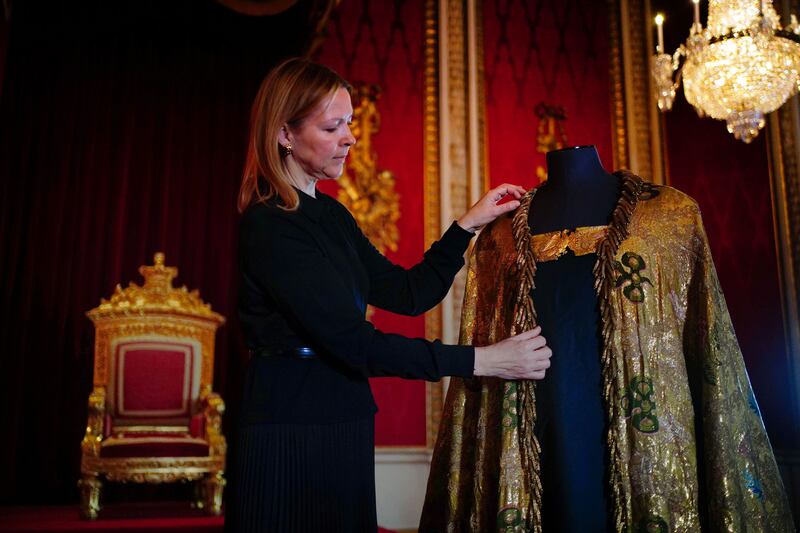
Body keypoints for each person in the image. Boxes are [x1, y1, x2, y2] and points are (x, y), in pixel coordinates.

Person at [226, 57, 553, 533]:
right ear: (285, 135)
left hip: (346, 415)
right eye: (333, 126)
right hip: (288, 426)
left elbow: (408, 292)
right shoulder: (269, 227)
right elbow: (355, 344)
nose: (350, 138)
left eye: (351, 124)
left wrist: (467, 225)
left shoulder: (333, 217)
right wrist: (484, 360)